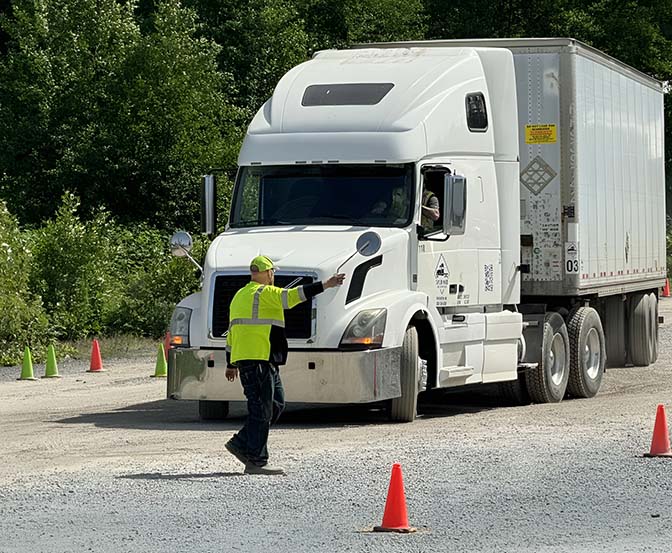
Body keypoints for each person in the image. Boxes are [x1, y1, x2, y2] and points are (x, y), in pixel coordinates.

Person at [224, 255, 346, 475]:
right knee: (261, 409)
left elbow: (232, 331)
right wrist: (326, 285)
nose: (273, 276)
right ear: (268, 272)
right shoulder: (265, 293)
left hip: (254, 359)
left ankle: (241, 443)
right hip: (259, 358)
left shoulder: (239, 295)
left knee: (275, 404)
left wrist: (231, 362)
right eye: (272, 272)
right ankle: (257, 461)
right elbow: (294, 296)